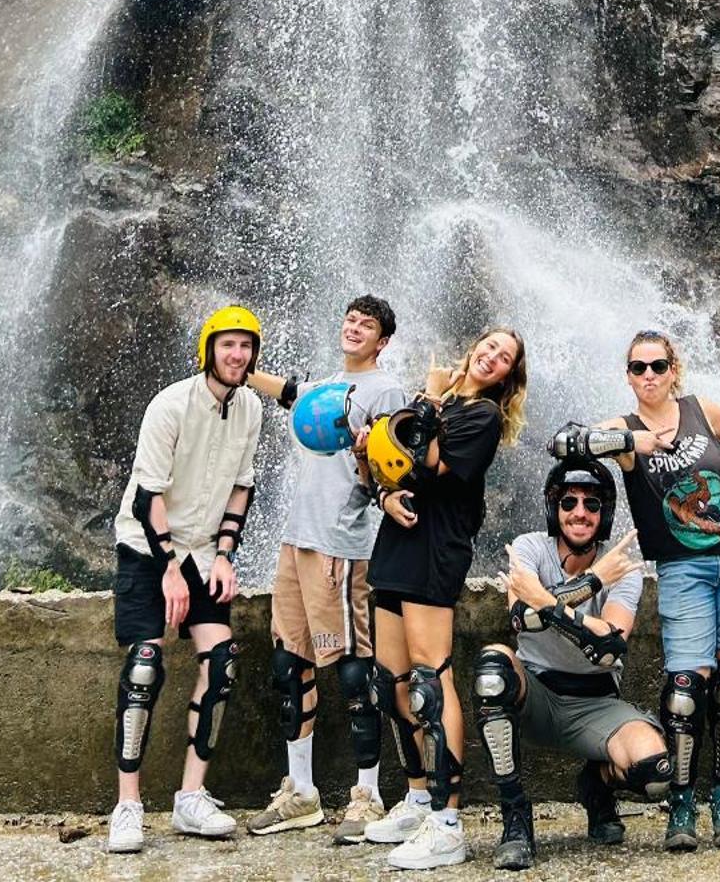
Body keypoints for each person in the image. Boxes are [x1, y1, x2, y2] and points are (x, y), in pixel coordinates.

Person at [554, 329, 720, 853]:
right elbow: (565, 442)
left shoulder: (702, 410)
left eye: (657, 366)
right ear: (628, 375)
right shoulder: (626, 430)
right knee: (684, 693)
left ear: (674, 369)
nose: (648, 376)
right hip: (682, 568)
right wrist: (635, 443)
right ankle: (680, 802)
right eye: (637, 368)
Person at [359, 326, 529, 872]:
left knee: (433, 680)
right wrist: (384, 493)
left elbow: (434, 466)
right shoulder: (439, 398)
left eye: (504, 358)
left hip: (437, 547)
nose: (492, 357)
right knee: (392, 683)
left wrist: (429, 402)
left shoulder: (482, 417)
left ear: (508, 376)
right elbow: (394, 464)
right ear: (473, 345)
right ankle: (416, 798)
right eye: (489, 346)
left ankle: (448, 822)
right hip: (397, 543)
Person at [243, 295, 408, 843]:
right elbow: (289, 392)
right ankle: (301, 792)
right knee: (290, 665)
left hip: (341, 543)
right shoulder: (327, 386)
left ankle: (368, 794)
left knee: (356, 670)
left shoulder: (386, 392)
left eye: (368, 325)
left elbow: (393, 467)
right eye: (350, 320)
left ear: (382, 341)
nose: (355, 327)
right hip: (296, 539)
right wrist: (239, 369)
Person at [105, 303, 263, 856]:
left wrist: (225, 554)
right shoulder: (170, 404)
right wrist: (169, 568)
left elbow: (242, 486)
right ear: (209, 350)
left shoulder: (250, 410)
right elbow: (149, 495)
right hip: (147, 549)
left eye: (245, 346)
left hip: (202, 552)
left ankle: (190, 798)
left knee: (221, 664)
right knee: (144, 668)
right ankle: (127, 807)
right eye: (227, 345)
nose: (236, 354)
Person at [472, 453, 673, 870]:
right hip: (536, 694)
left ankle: (596, 786)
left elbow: (610, 647)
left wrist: (547, 601)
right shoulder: (531, 547)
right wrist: (594, 584)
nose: (579, 513)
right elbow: (519, 619)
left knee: (655, 773)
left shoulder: (625, 566)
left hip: (598, 704)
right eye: (569, 502)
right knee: (493, 670)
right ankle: (515, 818)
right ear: (553, 507)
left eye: (592, 504)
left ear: (605, 511)